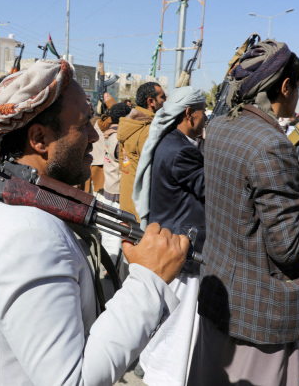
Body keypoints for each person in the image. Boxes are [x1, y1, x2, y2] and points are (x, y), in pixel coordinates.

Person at [0, 59, 190, 385]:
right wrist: (149, 282)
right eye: (84, 124)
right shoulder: (29, 234)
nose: (94, 135)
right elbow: (73, 380)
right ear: (39, 138)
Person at [188, 40, 299, 386]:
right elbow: (287, 247)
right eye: (298, 87)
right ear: (286, 86)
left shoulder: (219, 128)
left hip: (222, 300)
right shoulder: (271, 144)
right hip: (260, 314)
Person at [133, 86, 207, 386]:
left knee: (165, 324)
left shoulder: (173, 143)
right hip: (181, 250)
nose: (206, 119)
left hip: (170, 242)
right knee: (177, 331)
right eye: (204, 112)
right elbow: (210, 189)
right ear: (189, 114)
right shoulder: (181, 151)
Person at [117, 82, 167, 220]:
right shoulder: (148, 130)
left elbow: (124, 164)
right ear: (151, 101)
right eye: (163, 97)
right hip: (142, 209)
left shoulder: (130, 124)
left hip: (128, 201)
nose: (166, 101)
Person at [98, 102, 132, 274]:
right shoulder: (119, 139)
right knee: (115, 236)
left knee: (109, 235)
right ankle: (111, 270)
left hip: (108, 188)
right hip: (118, 192)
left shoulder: (108, 135)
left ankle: (106, 267)